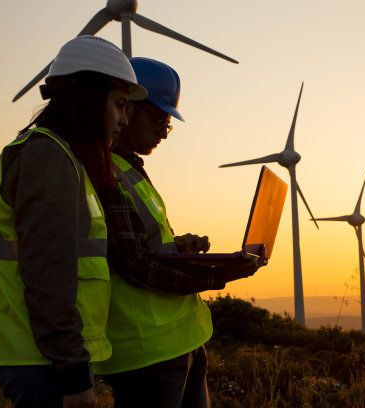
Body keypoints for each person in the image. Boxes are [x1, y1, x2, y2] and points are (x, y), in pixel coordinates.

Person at [0, 35, 147, 408]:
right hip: (42, 361)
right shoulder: (48, 158)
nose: (124, 120)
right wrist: (72, 370)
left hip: (40, 355)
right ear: (87, 97)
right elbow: (49, 272)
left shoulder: (54, 156)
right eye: (119, 105)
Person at [93, 57, 261, 408]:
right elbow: (132, 263)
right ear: (126, 106)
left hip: (181, 342)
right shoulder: (105, 172)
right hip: (146, 353)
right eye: (159, 120)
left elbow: (145, 245)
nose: (162, 132)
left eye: (168, 125)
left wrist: (178, 246)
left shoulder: (131, 170)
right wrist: (217, 275)